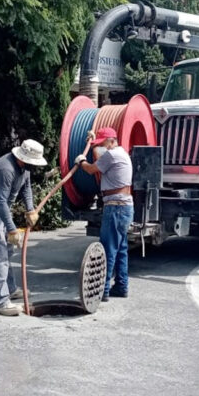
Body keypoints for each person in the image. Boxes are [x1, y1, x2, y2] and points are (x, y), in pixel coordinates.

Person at [0, 139, 46, 316]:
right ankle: (0, 302)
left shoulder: (25, 168)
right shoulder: (6, 169)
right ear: (23, 158)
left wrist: (30, 210)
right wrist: (12, 229)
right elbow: (0, 202)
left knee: (7, 252)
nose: (33, 166)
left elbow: (26, 189)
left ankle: (11, 290)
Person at [74, 127, 133, 301]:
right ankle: (121, 286)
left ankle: (103, 290)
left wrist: (81, 161)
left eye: (102, 143)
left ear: (111, 141)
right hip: (126, 207)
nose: (100, 147)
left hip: (115, 207)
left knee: (108, 249)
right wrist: (92, 142)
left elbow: (92, 169)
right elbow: (100, 159)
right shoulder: (122, 153)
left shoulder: (112, 154)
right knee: (121, 248)